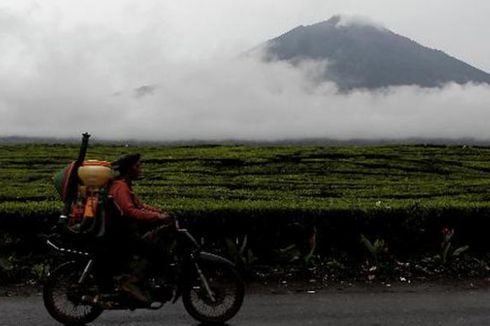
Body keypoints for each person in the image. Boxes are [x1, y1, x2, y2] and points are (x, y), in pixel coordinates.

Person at [101, 153, 171, 303]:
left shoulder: (125, 184)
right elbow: (130, 211)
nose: (140, 169)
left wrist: (159, 212)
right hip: (120, 234)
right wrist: (157, 217)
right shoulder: (120, 186)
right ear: (129, 169)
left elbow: (140, 206)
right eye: (138, 166)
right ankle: (131, 282)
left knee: (152, 243)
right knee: (155, 251)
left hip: (124, 231)